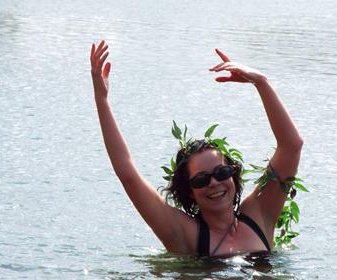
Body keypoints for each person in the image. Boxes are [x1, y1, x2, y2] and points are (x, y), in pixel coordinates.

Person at [90, 40, 303, 257]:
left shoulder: (260, 213)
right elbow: (128, 175)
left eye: (221, 173)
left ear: (233, 176)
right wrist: (102, 99)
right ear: (189, 192)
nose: (214, 183)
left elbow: (292, 146)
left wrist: (262, 83)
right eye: (201, 179)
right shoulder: (184, 233)